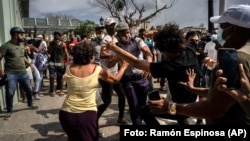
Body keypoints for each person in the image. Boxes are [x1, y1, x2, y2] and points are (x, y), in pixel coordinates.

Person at [149, 4, 250, 125]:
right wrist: (194, 89)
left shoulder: (236, 59)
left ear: (232, 30)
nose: (218, 33)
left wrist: (172, 107)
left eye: (222, 27)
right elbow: (227, 93)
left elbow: (215, 108)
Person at [107, 23, 201, 125]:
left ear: (167, 50)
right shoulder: (189, 49)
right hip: (192, 102)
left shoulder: (169, 67)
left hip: (180, 107)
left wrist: (114, 48)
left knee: (145, 110)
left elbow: (136, 63)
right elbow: (170, 36)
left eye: (163, 52)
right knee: (182, 119)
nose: (163, 55)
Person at [59, 41, 128, 141]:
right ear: (90, 55)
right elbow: (115, 80)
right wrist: (124, 67)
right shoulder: (96, 69)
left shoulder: (68, 68)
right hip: (86, 115)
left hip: (66, 114)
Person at [109, 22, 153, 125]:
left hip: (142, 78)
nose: (127, 35)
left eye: (128, 32)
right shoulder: (116, 46)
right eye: (123, 33)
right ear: (118, 35)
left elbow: (148, 53)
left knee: (142, 105)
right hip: (128, 80)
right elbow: (110, 64)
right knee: (133, 106)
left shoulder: (137, 41)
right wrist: (118, 56)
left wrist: (148, 66)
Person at [0, 27, 38, 120]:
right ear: (16, 34)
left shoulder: (21, 44)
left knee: (29, 89)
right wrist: (1, 73)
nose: (22, 35)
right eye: (21, 34)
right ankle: (9, 111)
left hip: (23, 72)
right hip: (11, 73)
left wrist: (30, 64)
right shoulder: (6, 46)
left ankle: (30, 103)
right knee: (10, 92)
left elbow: (22, 57)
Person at [98, 18, 129, 126]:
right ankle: (93, 121)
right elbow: (102, 54)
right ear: (106, 27)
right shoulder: (106, 38)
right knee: (106, 101)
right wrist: (116, 55)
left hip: (114, 72)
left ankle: (120, 118)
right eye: (111, 25)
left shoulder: (114, 38)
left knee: (121, 95)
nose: (113, 27)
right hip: (106, 72)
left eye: (114, 24)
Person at [47, 31, 69, 97]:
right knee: (52, 76)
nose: (56, 37)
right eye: (55, 36)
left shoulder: (63, 44)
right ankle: (52, 90)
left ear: (60, 37)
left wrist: (66, 63)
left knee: (61, 77)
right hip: (52, 63)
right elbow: (49, 52)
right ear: (54, 37)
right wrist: (49, 53)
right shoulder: (51, 44)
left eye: (58, 36)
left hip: (60, 63)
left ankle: (61, 90)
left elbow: (66, 54)